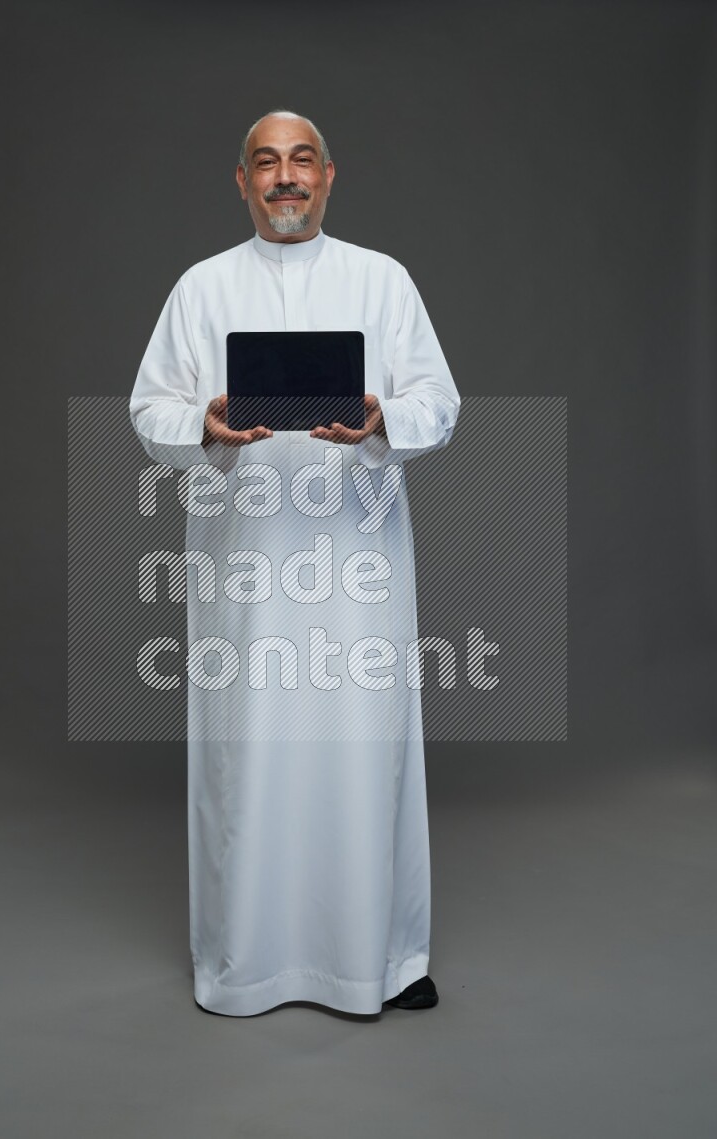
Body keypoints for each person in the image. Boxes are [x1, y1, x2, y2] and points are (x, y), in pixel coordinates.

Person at [129, 110, 461, 1016]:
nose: (285, 178)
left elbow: (440, 399)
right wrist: (203, 424)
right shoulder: (201, 290)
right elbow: (148, 409)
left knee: (368, 751)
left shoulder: (382, 282)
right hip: (245, 580)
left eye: (301, 161)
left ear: (329, 176)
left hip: (358, 571)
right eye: (266, 163)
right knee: (251, 758)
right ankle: (246, 961)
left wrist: (380, 418)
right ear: (241, 181)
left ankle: (384, 959)